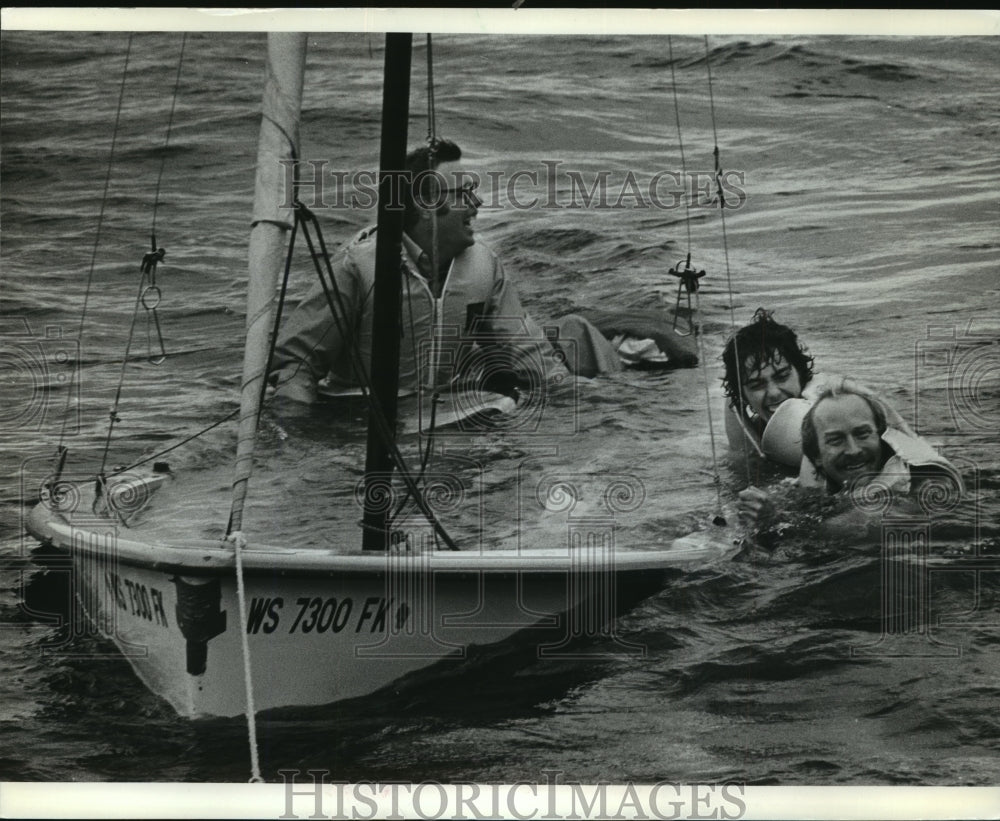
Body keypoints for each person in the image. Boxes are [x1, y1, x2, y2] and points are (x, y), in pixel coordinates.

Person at [270, 138, 572, 405]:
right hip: (361, 417)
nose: (476, 203)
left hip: (447, 407)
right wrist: (300, 441)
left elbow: (531, 356)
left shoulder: (485, 266)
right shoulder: (358, 268)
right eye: (463, 193)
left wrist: (589, 403)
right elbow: (296, 366)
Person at [737, 382, 964, 527]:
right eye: (836, 440)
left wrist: (774, 522)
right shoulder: (807, 487)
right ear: (816, 456)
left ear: (880, 435)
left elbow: (858, 528)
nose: (854, 450)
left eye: (863, 434)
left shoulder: (920, 485)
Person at [721, 308, 815, 463]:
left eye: (782, 377)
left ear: (801, 374)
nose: (773, 393)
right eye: (756, 385)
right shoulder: (750, 442)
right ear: (743, 396)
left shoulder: (834, 417)